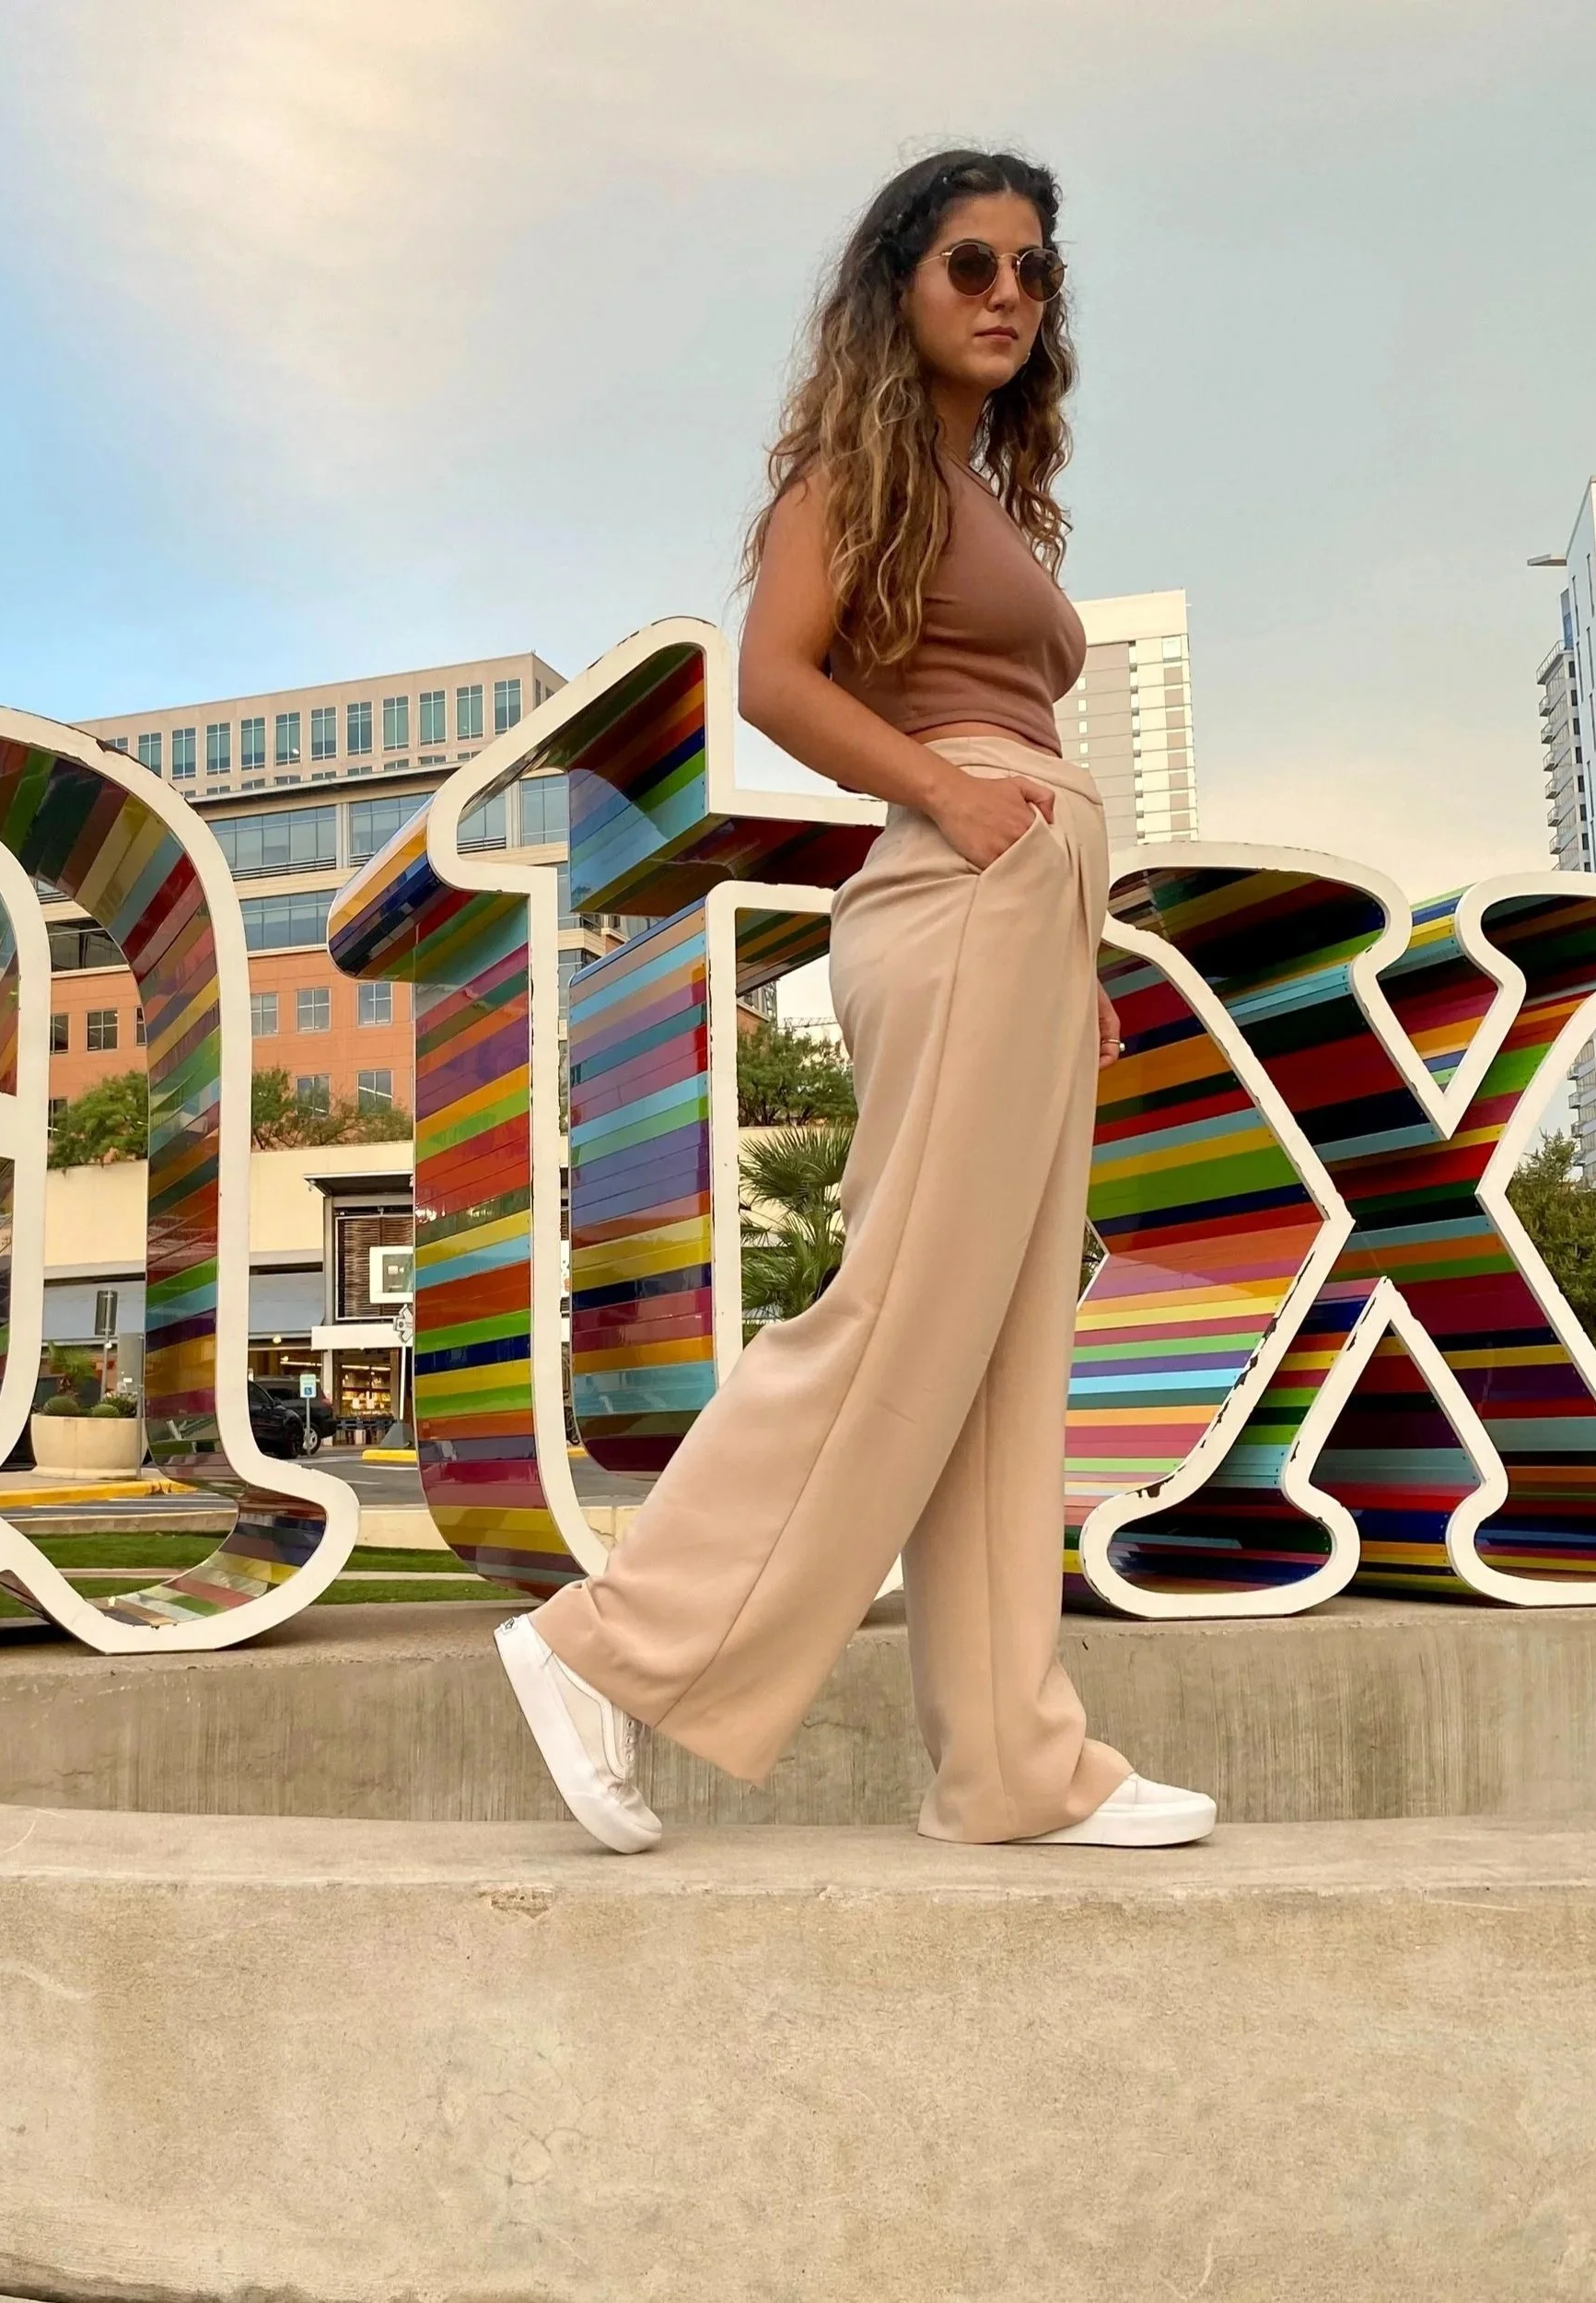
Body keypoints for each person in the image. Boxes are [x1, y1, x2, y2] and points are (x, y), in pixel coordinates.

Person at [495, 147, 1217, 1854]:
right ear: (898, 280)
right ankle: (611, 1644)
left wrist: (1078, 953)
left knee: (1000, 1354)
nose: (1007, 294)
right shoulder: (856, 469)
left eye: (1034, 273)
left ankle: (1010, 1769)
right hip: (961, 873)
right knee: (900, 1317)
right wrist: (958, 803)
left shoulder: (985, 497)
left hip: (1028, 912)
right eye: (970, 261)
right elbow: (773, 684)